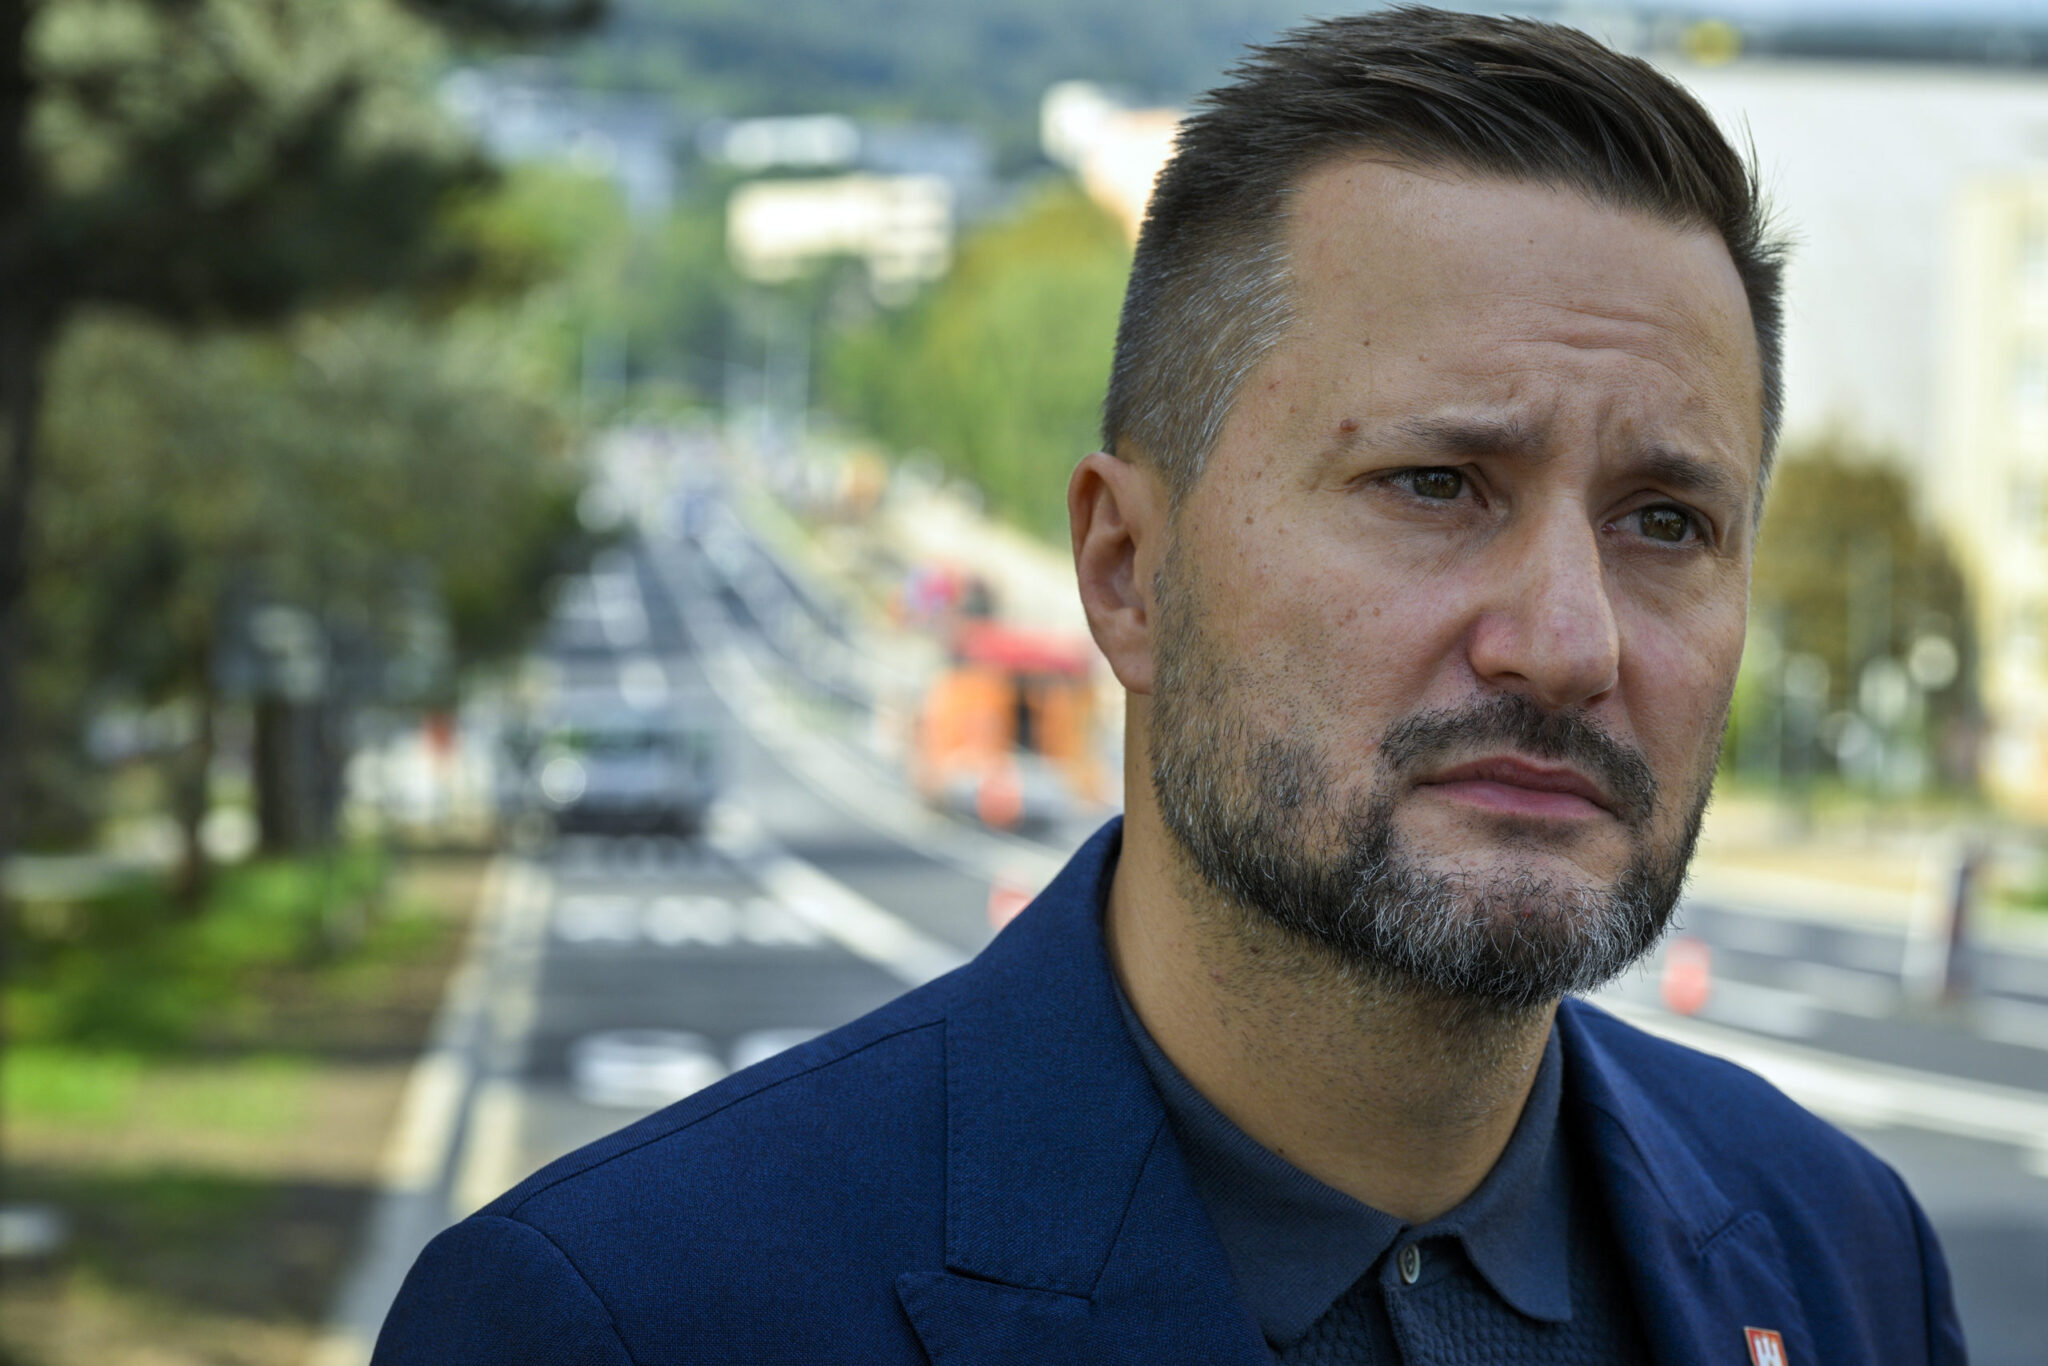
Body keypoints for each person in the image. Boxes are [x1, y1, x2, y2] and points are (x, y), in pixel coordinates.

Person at [374, 9, 1966, 1363]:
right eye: (1435, 484)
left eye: (1667, 522)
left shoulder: (1845, 1259)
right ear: (1128, 569)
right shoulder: (627, 1316)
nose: (1567, 640)